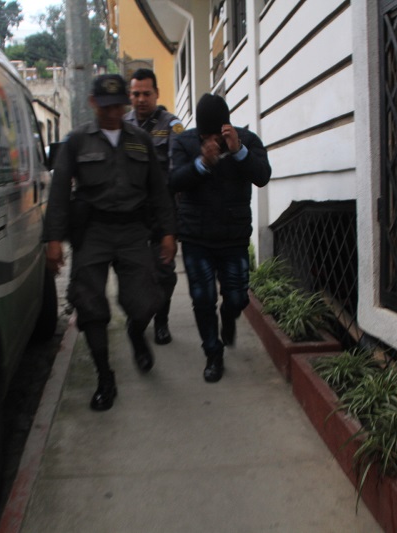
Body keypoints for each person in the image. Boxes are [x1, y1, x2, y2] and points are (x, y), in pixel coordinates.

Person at [44, 74, 177, 411]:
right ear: (93, 103)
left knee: (146, 300)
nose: (114, 113)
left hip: (133, 230)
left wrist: (167, 233)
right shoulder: (77, 141)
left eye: (120, 106)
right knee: (89, 306)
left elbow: (158, 190)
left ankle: (136, 333)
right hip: (94, 231)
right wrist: (54, 240)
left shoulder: (141, 140)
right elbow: (59, 192)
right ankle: (105, 377)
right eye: (107, 107)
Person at [169, 93, 271, 383]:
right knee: (202, 299)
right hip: (195, 237)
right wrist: (202, 163)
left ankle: (228, 318)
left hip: (233, 237)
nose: (212, 139)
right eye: (206, 134)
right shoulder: (184, 142)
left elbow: (263, 175)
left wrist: (238, 151)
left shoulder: (246, 140)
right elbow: (173, 181)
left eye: (217, 133)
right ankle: (213, 354)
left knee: (237, 298)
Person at [124, 68, 184, 345]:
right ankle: (137, 316)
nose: (141, 99)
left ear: (157, 94)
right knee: (133, 273)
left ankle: (161, 320)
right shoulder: (121, 125)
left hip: (160, 215)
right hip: (130, 218)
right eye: (135, 94)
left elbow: (176, 171)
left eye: (146, 93)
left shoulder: (171, 125)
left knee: (163, 274)